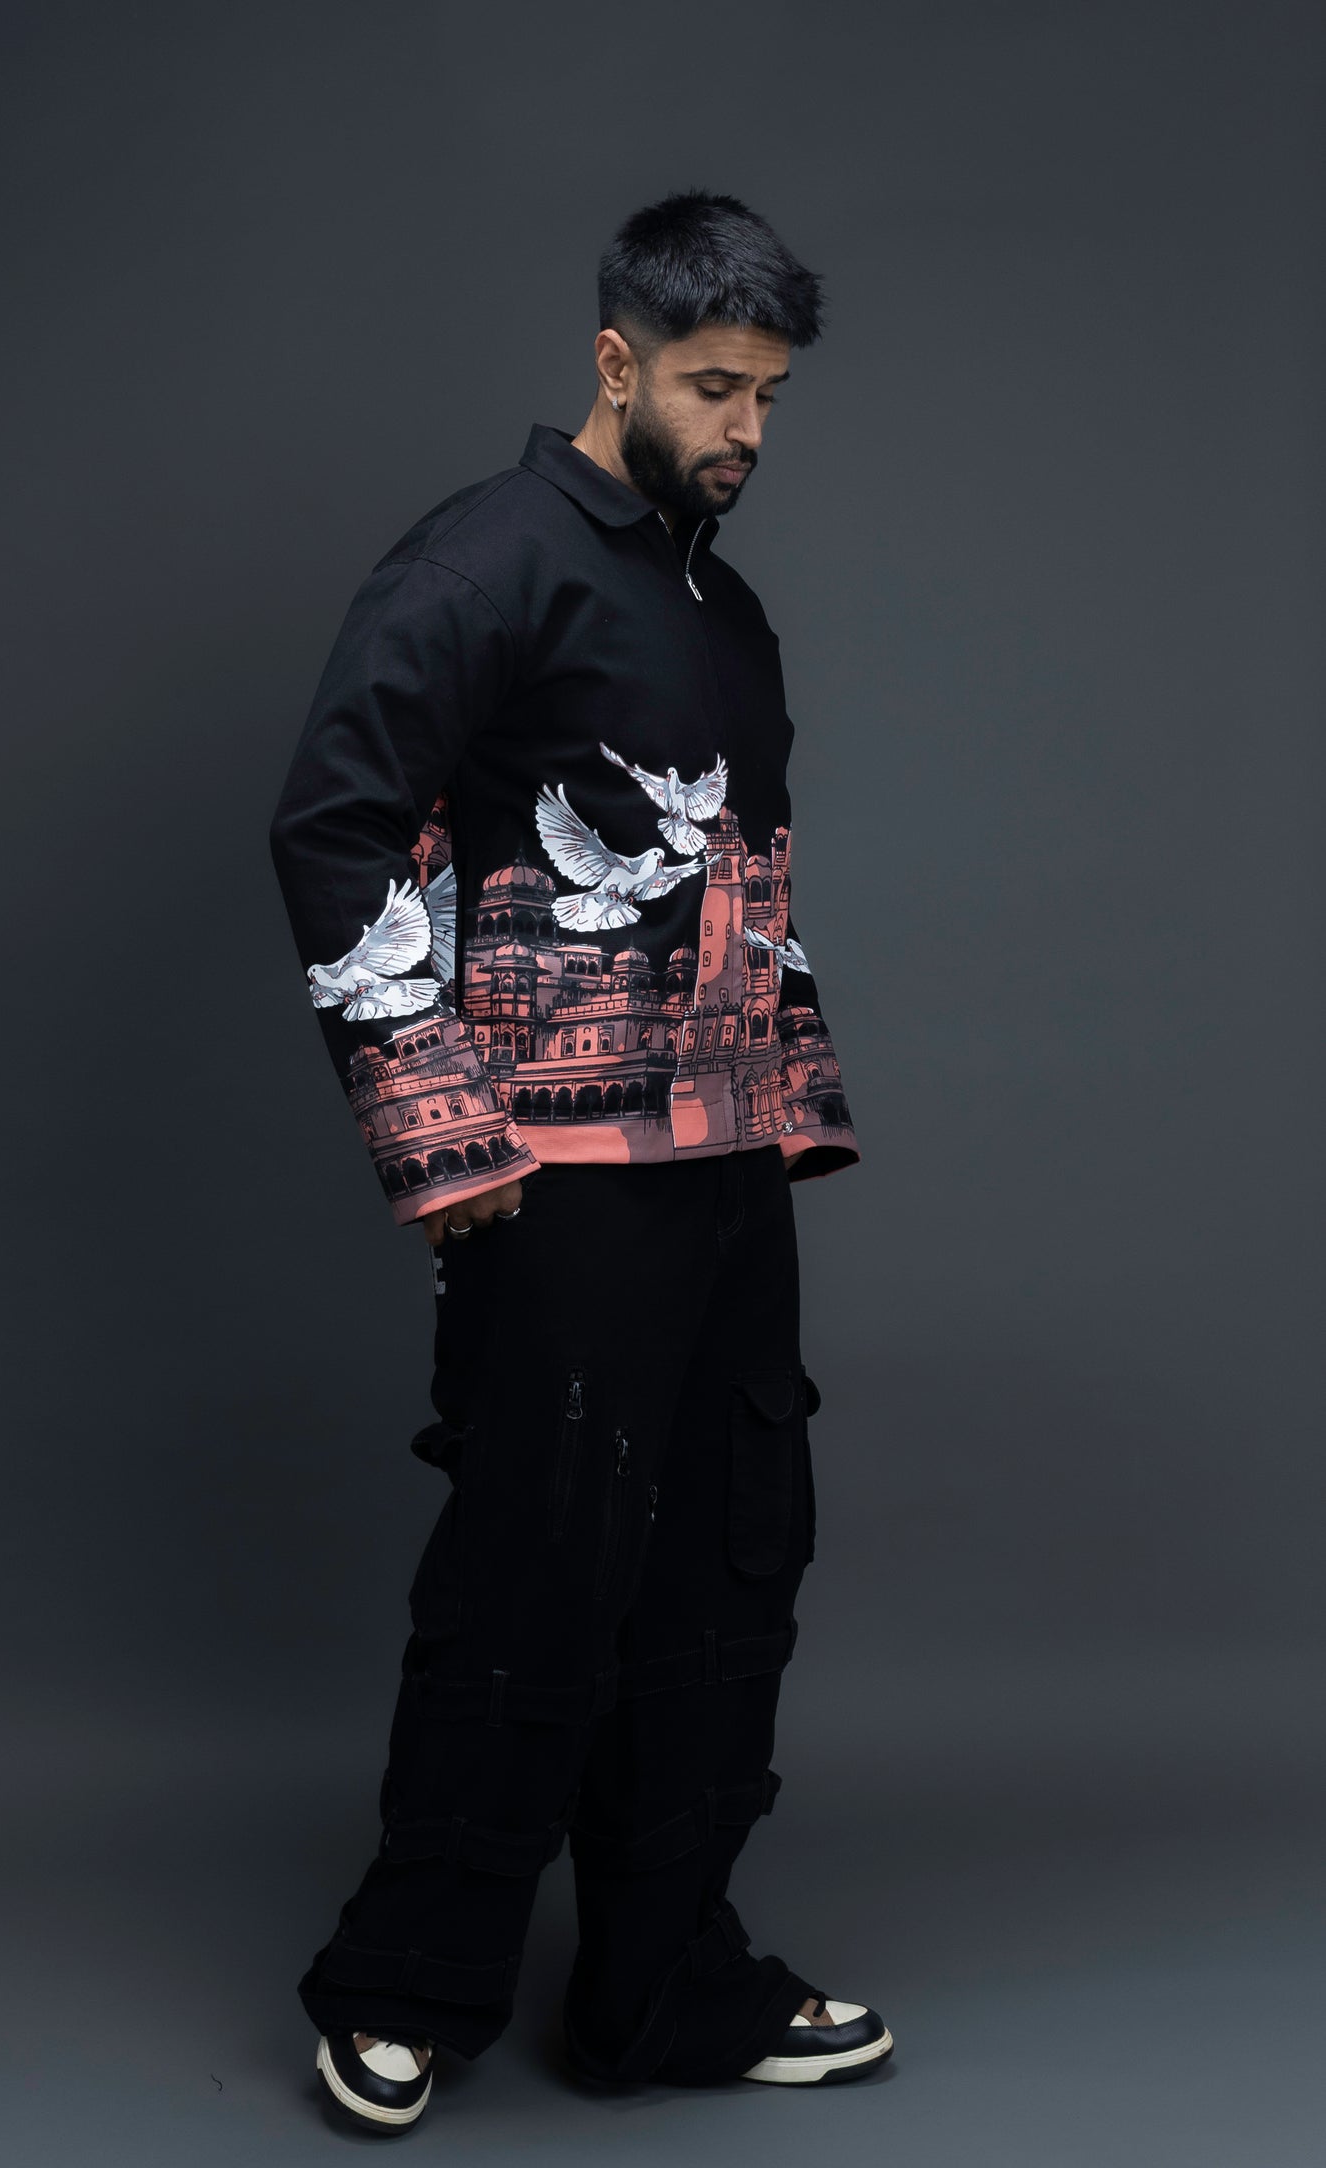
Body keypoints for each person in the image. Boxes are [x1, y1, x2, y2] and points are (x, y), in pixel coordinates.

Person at [268, 188, 892, 2131]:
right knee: (537, 1570)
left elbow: (742, 893)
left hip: (719, 1177)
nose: (746, 432)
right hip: (548, 1184)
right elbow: (335, 828)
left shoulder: (716, 598)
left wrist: (787, 1106)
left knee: (729, 1567)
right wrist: (443, 1139)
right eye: (716, 388)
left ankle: (664, 1981)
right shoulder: (484, 560)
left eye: (773, 397)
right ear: (614, 360)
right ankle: (409, 1978)